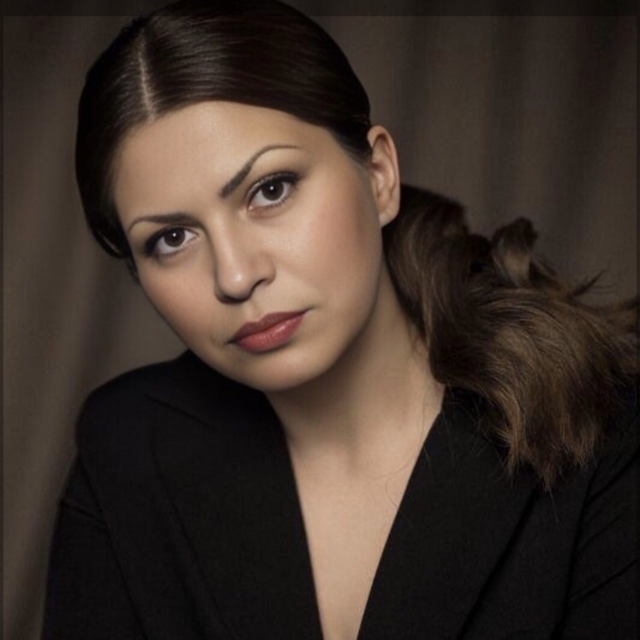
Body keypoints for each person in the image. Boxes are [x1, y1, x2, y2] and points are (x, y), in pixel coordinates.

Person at [42, 1, 637, 639]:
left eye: (270, 190)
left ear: (379, 176)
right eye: (172, 239)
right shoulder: (128, 451)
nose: (236, 277)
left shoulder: (599, 424)